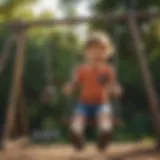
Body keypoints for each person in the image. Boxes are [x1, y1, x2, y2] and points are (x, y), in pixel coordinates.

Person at [63, 32, 122, 159]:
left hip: (101, 104)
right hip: (83, 104)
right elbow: (75, 83)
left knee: (104, 116)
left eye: (101, 50)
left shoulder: (108, 70)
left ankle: (104, 134)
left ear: (107, 53)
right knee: (78, 118)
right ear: (85, 53)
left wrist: (116, 90)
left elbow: (111, 85)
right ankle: (76, 135)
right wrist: (69, 87)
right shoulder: (81, 69)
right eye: (92, 50)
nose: (96, 53)